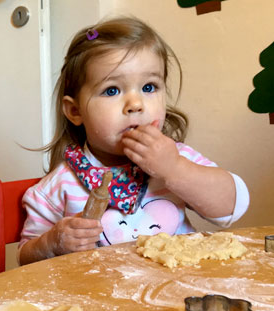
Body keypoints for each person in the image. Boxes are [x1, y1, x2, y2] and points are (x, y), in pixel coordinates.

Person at [18, 16, 249, 266]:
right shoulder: (61, 185)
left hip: (176, 292)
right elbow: (25, 259)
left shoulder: (175, 158)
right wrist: (52, 244)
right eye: (112, 90)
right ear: (75, 112)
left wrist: (175, 169)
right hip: (97, 299)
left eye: (149, 87)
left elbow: (232, 208)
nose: (136, 104)